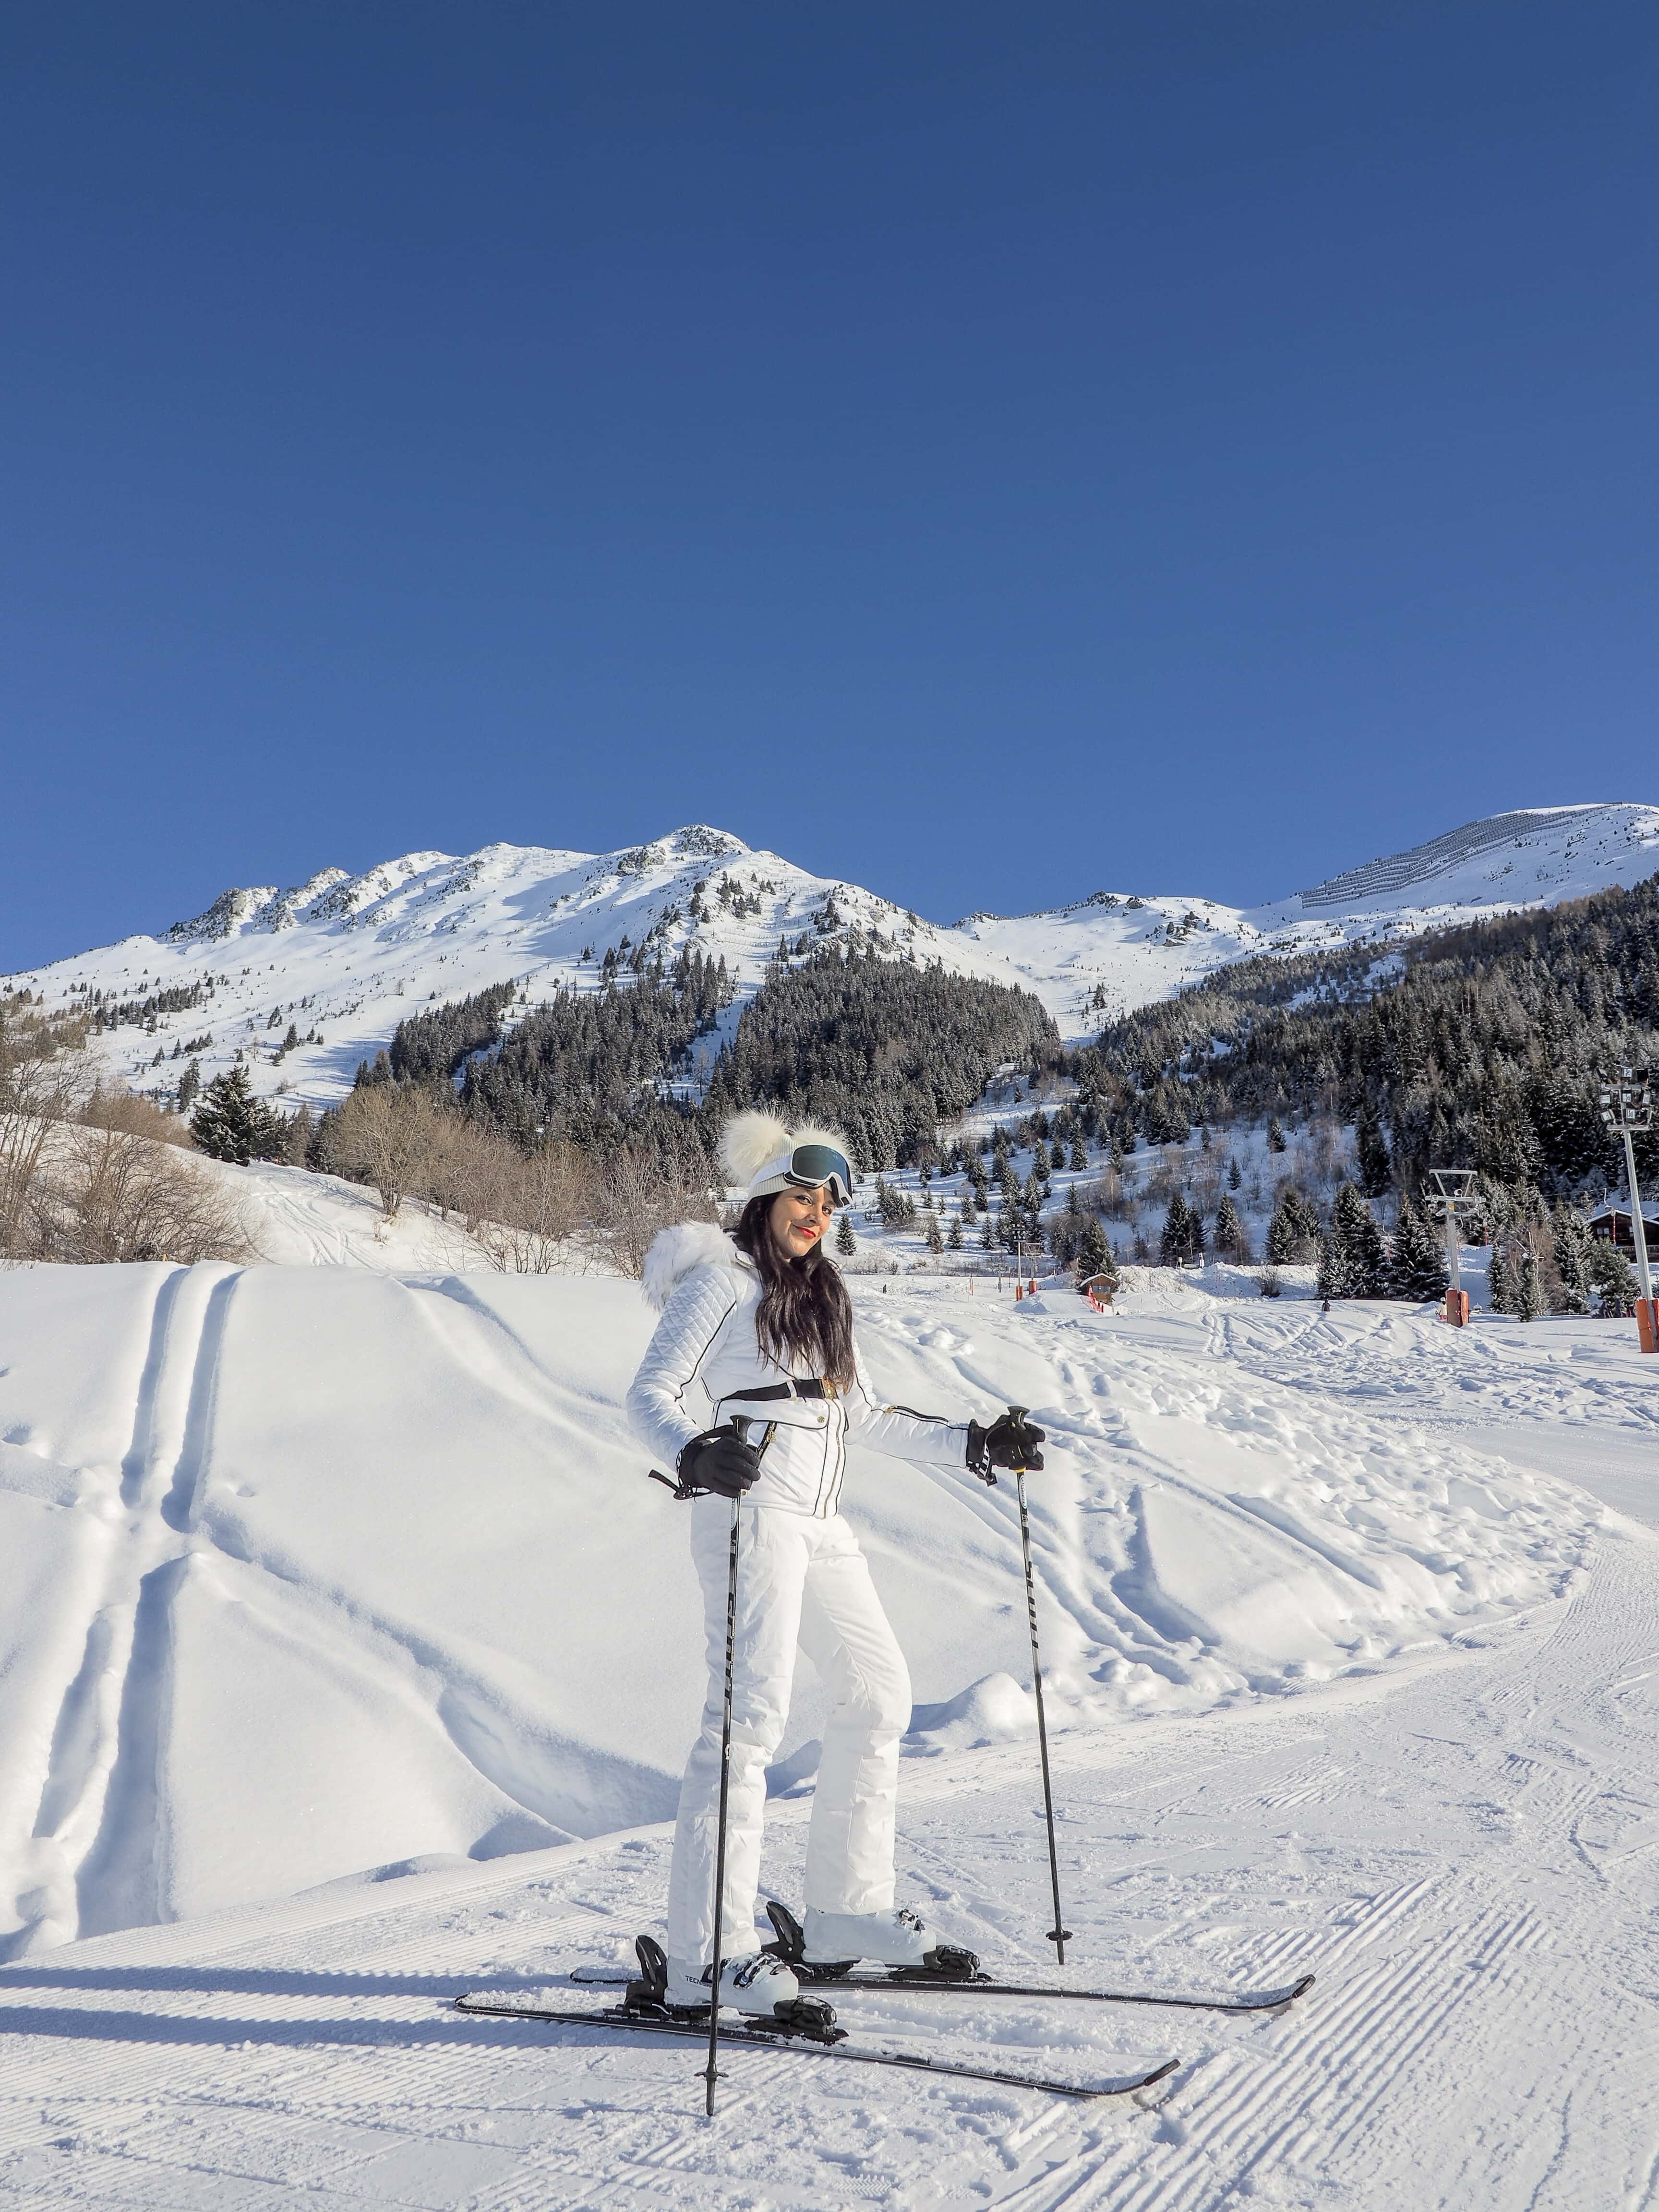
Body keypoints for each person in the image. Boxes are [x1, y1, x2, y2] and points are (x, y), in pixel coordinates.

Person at [628, 1110, 1044, 2019]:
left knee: (878, 1694)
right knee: (746, 1724)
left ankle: (845, 1913)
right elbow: (649, 1393)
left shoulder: (822, 1301)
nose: (816, 1214)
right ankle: (707, 1955)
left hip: (818, 1523)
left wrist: (976, 1443)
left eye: (828, 1203)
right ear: (765, 1197)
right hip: (749, 1516)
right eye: (802, 1197)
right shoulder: (722, 1283)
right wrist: (694, 1452)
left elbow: (865, 1416)